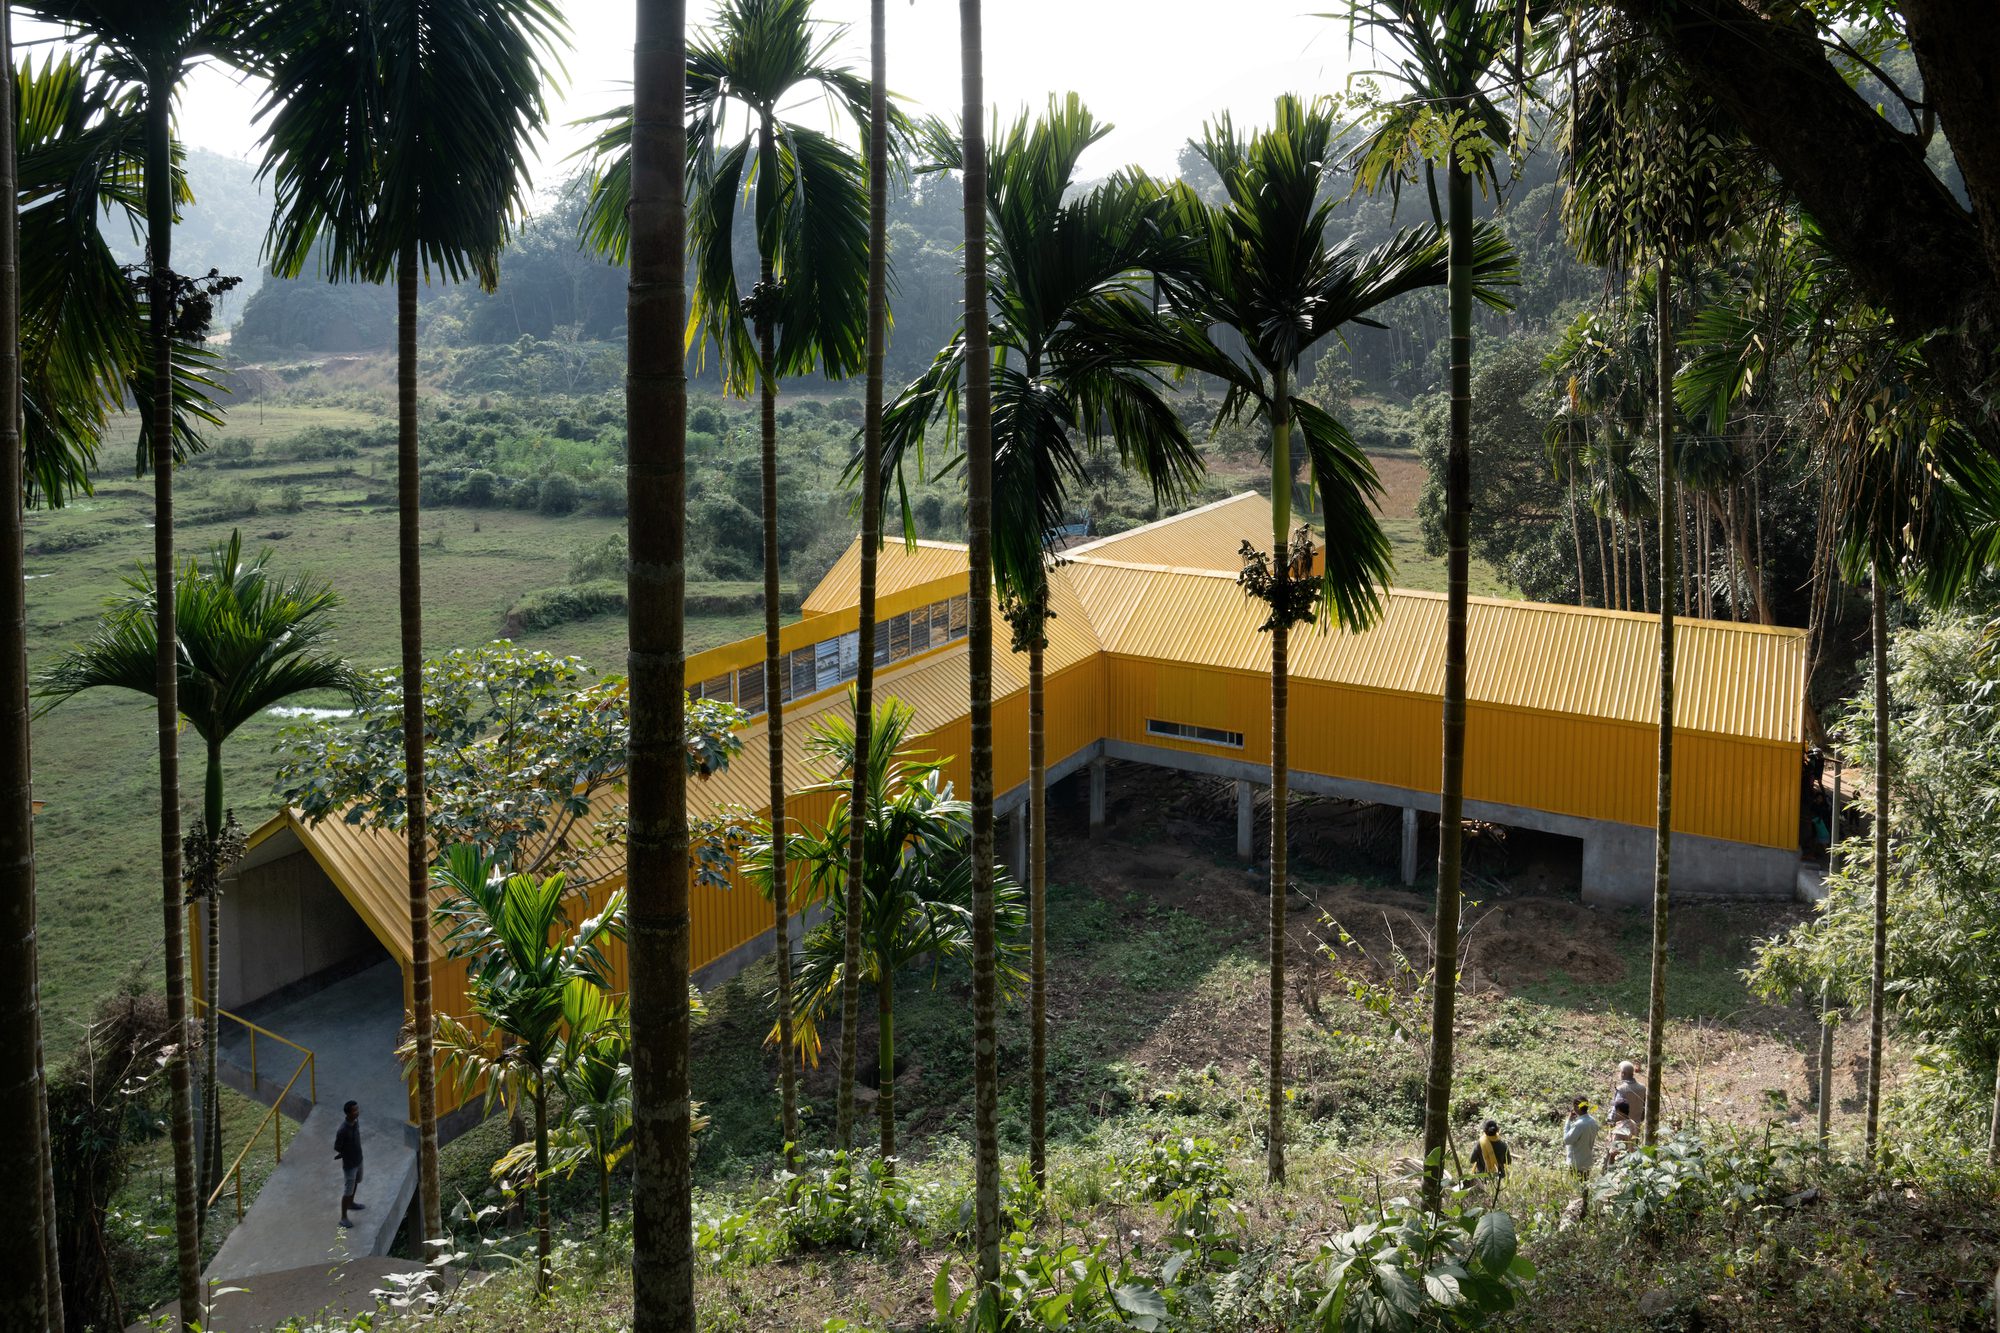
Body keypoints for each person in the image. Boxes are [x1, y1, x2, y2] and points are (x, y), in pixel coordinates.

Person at [334, 1100, 365, 1228]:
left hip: (359, 1160)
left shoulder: (356, 1122)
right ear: (348, 1113)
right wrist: (345, 1154)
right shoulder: (342, 1130)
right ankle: (343, 1217)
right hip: (350, 1165)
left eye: (357, 1109)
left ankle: (351, 1203)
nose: (357, 1112)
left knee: (356, 1182)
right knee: (348, 1190)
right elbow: (337, 1147)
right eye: (355, 1110)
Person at [1564, 1098, 1599, 1178]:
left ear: (1577, 1107)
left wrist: (1568, 1121)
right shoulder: (1593, 1121)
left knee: (1576, 1184)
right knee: (1585, 1184)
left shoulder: (1579, 1125)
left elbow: (1567, 1140)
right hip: (1587, 1162)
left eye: (1574, 1107)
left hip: (1576, 1163)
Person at [1613, 1061, 1648, 1126]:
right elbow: (1645, 1106)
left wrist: (1611, 1122)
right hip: (1638, 1124)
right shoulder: (1643, 1088)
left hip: (1623, 1125)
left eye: (1619, 1072)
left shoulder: (1621, 1089)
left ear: (1623, 1073)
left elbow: (1615, 1110)